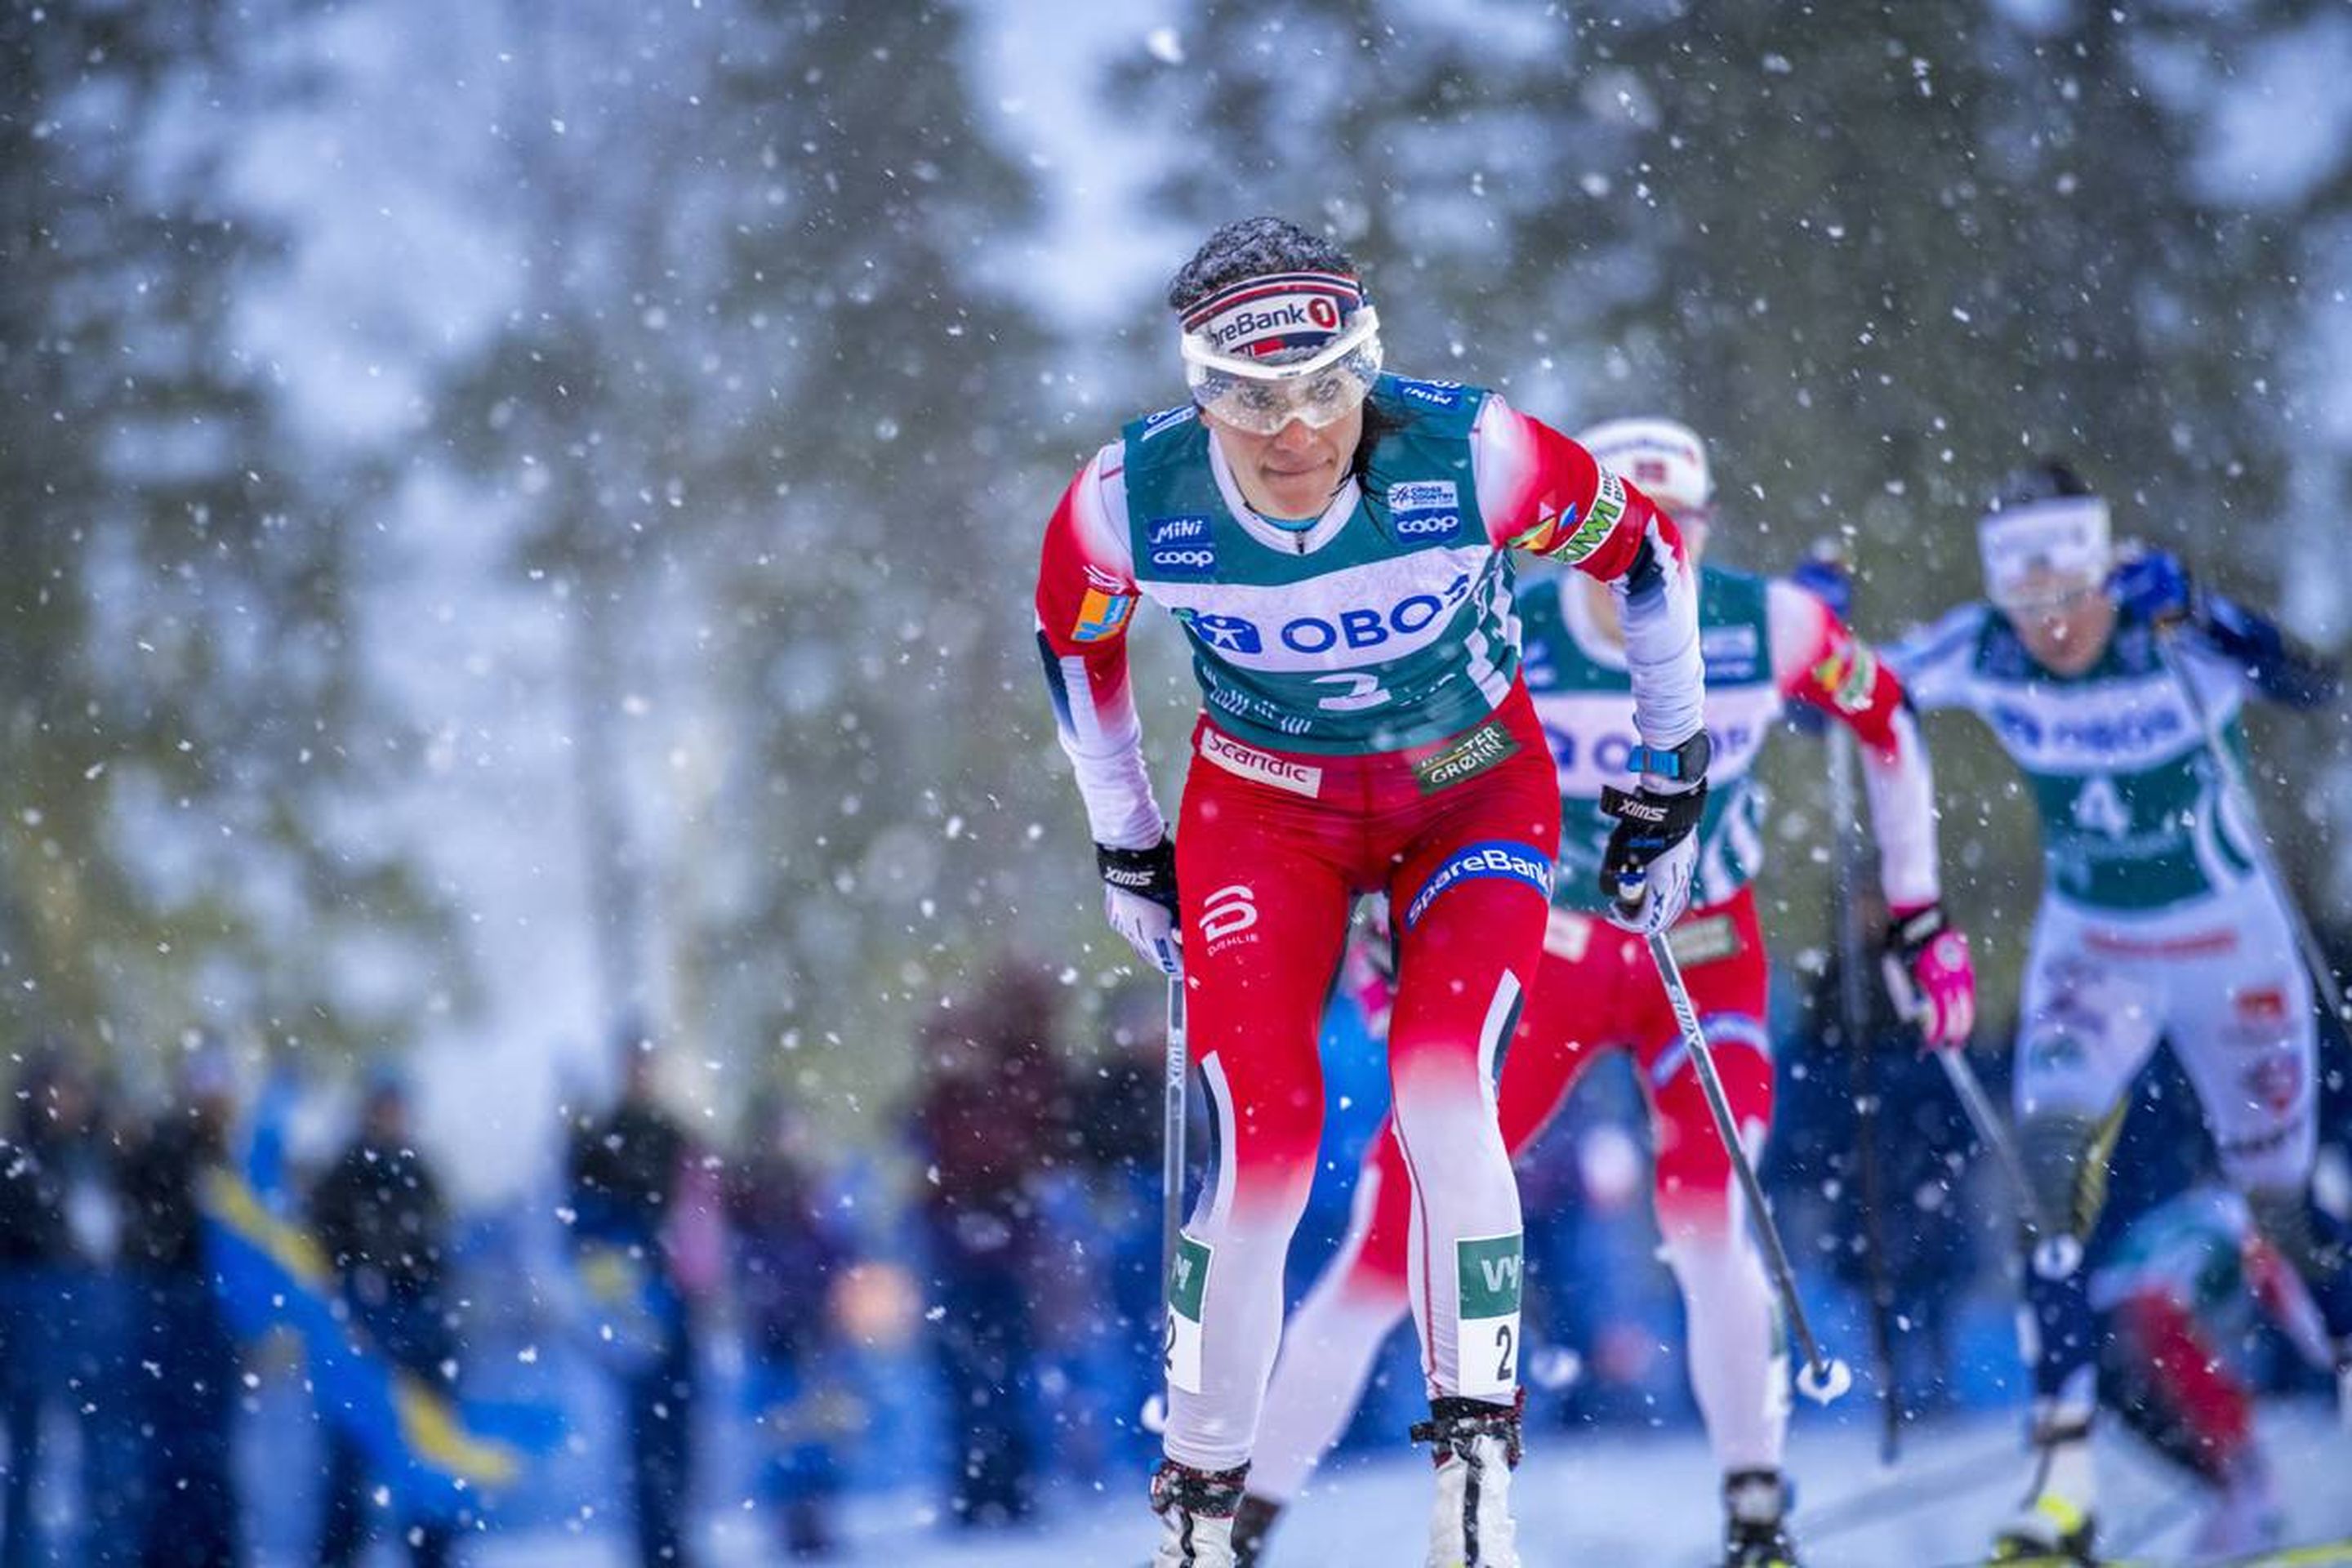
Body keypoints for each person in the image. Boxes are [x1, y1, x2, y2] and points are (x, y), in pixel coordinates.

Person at [1035, 216, 1710, 1568]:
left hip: (1470, 793)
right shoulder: (1126, 500)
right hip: (1267, 813)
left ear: (1371, 368)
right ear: (1196, 392)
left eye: (1329, 386)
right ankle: (1202, 1518)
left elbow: (1644, 559)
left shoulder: (1475, 453)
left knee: (1445, 1090)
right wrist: (1127, 838)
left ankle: (1473, 1485)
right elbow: (1073, 649)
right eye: (1246, 398)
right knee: (1267, 1145)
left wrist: (1671, 769)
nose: (1295, 432)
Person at [1231, 419, 1976, 1568]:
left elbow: (1888, 721)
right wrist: (1380, 923)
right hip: (1547, 961)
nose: (1650, 571)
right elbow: (1390, 780)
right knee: (1394, 1233)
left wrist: (1918, 913)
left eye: (1679, 538)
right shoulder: (1503, 635)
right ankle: (1240, 1525)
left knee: (1704, 1216)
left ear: (1707, 531)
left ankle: (1755, 1513)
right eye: (1631, 542)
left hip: (1709, 953)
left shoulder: (1761, 624)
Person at [1889, 459, 2352, 1564]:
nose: (2051, 624)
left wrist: (2203, 610)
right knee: (2048, 1187)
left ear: (2105, 569)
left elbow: (2315, 681)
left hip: (2230, 951)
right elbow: (1846, 694)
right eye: (2028, 601)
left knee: (2282, 1211)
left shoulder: (2167, 626)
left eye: (2069, 594)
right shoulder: (1985, 647)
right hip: (2094, 958)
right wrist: (1807, 625)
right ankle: (2064, 1491)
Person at [905, 961, 1070, 1528]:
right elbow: (920, 1185)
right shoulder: (929, 1112)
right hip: (956, 1261)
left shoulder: (1000, 1100)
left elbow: (1016, 1159)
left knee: (1010, 1374)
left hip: (1004, 1259)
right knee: (963, 1380)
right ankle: (974, 1488)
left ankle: (1013, 1484)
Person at [567, 1028, 708, 1568]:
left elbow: (702, 1215)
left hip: (677, 1293)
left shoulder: (676, 1135)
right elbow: (586, 1227)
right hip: (634, 1301)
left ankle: (676, 1540)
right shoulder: (601, 1139)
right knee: (648, 1430)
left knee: (679, 1429)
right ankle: (655, 1546)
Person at [308, 1071, 461, 1566]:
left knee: (425, 1464)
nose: (392, 1118)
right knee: (351, 1467)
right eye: (384, 1107)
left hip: (419, 1332)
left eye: (397, 1107)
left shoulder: (422, 1172)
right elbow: (324, 1255)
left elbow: (438, 1256)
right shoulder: (344, 1174)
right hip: (364, 1331)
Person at [116, 1037, 244, 1568]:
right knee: (176, 1449)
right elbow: (145, 1229)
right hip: (172, 1314)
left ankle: (210, 1550)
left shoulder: (231, 1153)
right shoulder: (167, 1145)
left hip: (211, 1321)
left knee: (210, 1449)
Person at [727, 1090, 851, 1559]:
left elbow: (839, 1248)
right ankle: (793, 1516)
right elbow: (741, 1257)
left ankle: (817, 1512)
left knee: (819, 1422)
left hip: (814, 1320)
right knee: (782, 1422)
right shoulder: (748, 1189)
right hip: (772, 1323)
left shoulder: (816, 1184)